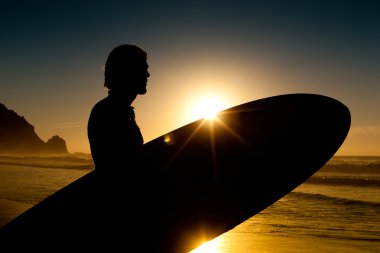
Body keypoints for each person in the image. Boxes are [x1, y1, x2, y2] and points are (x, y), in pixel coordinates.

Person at [87, 44, 150, 182]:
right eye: (142, 69)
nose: (147, 75)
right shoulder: (108, 112)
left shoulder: (123, 111)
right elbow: (119, 170)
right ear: (127, 71)